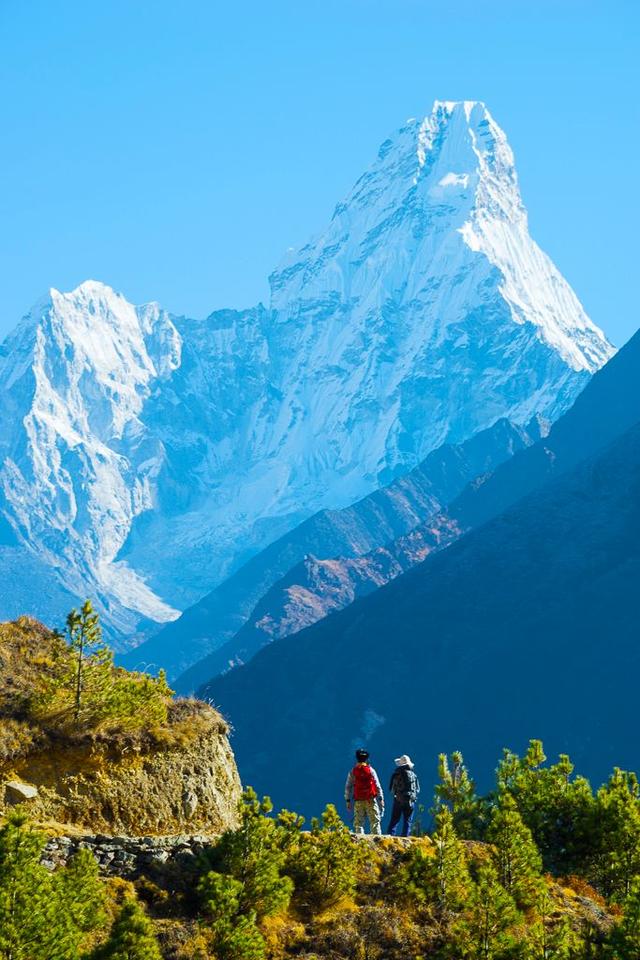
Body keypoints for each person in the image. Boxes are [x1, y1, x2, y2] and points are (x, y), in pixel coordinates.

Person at [345, 748, 384, 835]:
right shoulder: (371, 770)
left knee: (358, 823)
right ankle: (377, 840)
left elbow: (348, 787)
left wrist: (348, 800)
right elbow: (377, 785)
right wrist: (381, 799)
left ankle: (360, 841)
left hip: (358, 799)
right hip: (370, 799)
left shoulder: (353, 771)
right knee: (374, 821)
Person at [388, 754, 420, 837]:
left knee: (395, 819)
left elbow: (391, 789)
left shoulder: (396, 775)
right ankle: (405, 837)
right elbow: (417, 789)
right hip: (410, 800)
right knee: (407, 820)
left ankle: (390, 836)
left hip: (398, 800)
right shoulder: (414, 775)